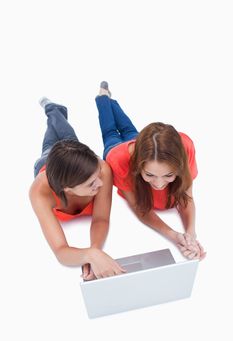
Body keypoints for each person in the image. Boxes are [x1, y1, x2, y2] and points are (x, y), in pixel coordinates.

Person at [95, 82, 206, 260]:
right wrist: (173, 235)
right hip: (116, 150)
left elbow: (187, 197)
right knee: (110, 132)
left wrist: (190, 235)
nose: (159, 184)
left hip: (137, 143)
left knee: (129, 130)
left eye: (169, 175)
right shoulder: (118, 161)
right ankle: (102, 98)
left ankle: (110, 99)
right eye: (149, 175)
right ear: (139, 167)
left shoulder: (185, 147)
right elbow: (140, 209)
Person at [29, 98, 126, 280]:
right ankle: (53, 110)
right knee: (49, 145)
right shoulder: (39, 193)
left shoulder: (102, 169)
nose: (102, 184)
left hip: (74, 159)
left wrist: (94, 251)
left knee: (69, 138)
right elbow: (60, 250)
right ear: (67, 189)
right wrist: (88, 255)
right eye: (91, 184)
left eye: (98, 176)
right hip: (46, 163)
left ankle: (55, 113)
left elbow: (101, 219)